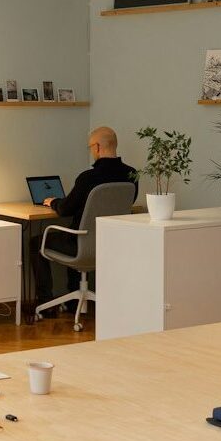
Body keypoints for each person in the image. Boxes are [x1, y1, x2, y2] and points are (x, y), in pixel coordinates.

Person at [32, 126, 138, 308]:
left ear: (97, 147)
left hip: (82, 245)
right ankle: (75, 302)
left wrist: (54, 201)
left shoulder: (88, 177)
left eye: (90, 147)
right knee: (78, 232)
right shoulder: (131, 174)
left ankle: (46, 302)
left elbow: (65, 209)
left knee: (37, 242)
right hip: (112, 244)